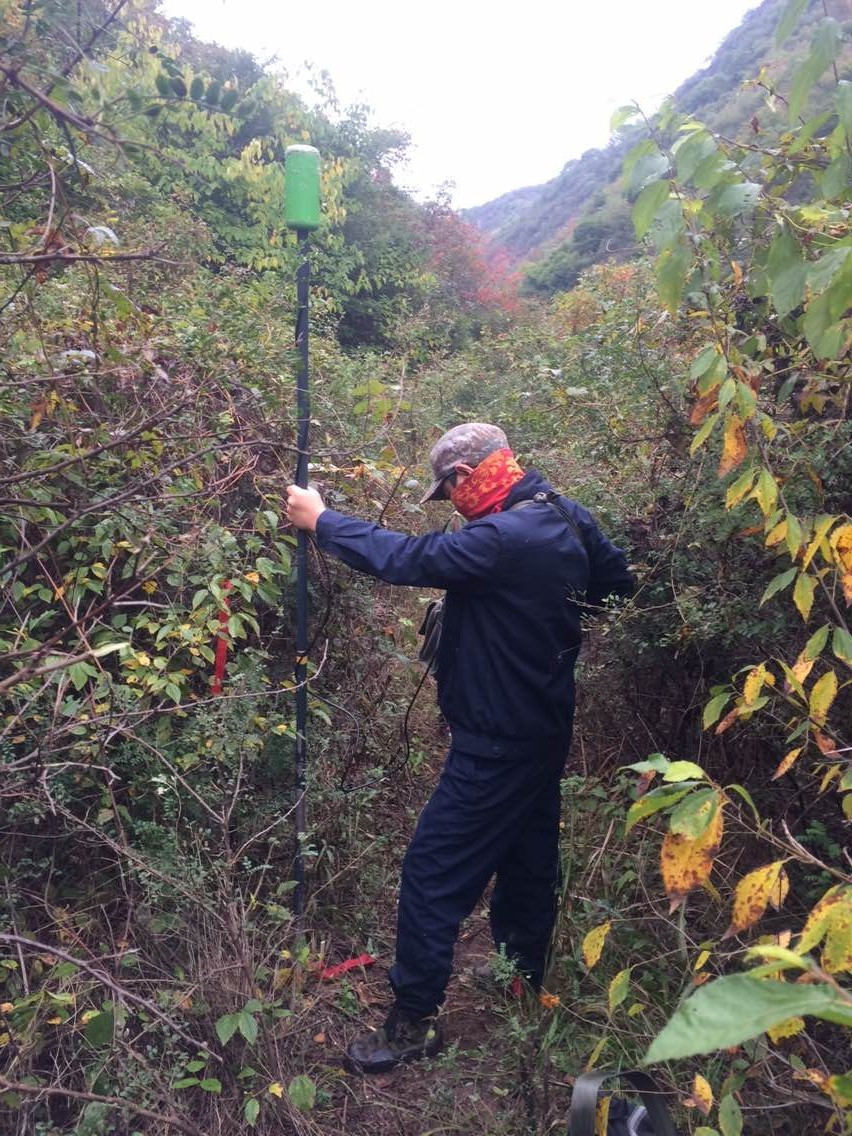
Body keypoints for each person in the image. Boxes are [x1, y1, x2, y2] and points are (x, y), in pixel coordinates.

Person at [285, 423, 634, 1074]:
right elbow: (617, 586)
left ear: (467, 476)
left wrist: (322, 521)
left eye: (447, 492)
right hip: (544, 727)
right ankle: (519, 980)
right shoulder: (564, 514)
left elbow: (408, 559)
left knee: (432, 873)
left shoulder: (502, 538)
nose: (451, 505)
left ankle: (412, 1022)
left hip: (496, 743)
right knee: (528, 860)